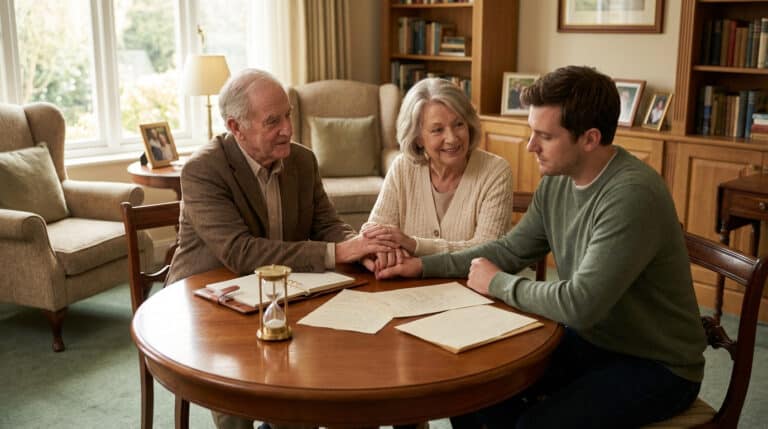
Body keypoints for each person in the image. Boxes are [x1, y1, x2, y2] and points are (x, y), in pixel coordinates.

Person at [376, 65, 706, 428]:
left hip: (657, 363)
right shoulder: (558, 180)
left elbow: (580, 305)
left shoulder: (631, 195)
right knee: (475, 386)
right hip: (595, 341)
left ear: (590, 139)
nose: (531, 146)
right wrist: (422, 266)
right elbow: (509, 251)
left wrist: (497, 282)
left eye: (544, 136)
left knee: (533, 425)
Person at [167, 68, 395, 429]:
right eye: (272, 121)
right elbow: (241, 253)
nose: (287, 128)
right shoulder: (203, 170)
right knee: (238, 410)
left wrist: (359, 247)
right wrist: (336, 254)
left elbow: (327, 225)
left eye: (287, 114)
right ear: (236, 127)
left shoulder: (302, 160)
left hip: (283, 295)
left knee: (322, 383)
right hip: (210, 304)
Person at [361, 77, 513, 274]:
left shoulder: (495, 171)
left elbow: (488, 253)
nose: (451, 138)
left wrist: (413, 245)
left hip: (472, 293)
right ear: (418, 137)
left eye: (458, 124)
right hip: (407, 291)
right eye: (437, 130)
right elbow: (375, 234)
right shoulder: (402, 167)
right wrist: (384, 251)